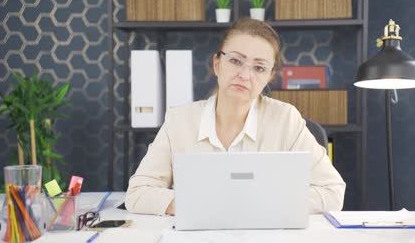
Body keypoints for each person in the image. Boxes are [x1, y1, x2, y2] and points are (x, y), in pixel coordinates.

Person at [125, 18, 346, 216]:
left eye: (259, 68)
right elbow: (137, 193)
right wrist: (191, 204)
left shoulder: (286, 119)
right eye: (235, 61)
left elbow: (332, 192)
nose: (244, 75)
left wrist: (264, 204)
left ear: (270, 77)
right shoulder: (179, 120)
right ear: (217, 64)